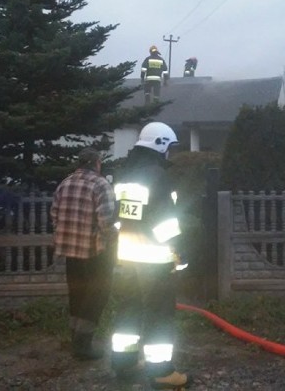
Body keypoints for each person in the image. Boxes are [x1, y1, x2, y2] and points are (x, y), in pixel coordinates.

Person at [110, 122, 190, 389]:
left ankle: (124, 362)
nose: (170, 153)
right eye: (169, 147)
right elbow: (162, 221)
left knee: (128, 309)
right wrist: (179, 249)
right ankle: (161, 371)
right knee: (159, 313)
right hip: (154, 259)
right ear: (160, 145)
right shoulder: (158, 175)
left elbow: (119, 219)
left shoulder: (125, 173)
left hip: (126, 257)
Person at [50, 147, 117, 360]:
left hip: (69, 249)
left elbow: (55, 215)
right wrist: (116, 237)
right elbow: (106, 221)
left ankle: (75, 337)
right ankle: (83, 343)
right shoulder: (101, 184)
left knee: (77, 293)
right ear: (97, 163)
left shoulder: (64, 183)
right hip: (93, 251)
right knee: (97, 293)